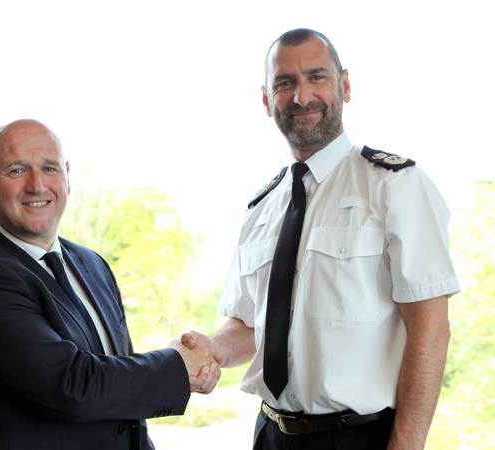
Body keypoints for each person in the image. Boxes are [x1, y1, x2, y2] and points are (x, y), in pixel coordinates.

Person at [182, 28, 459, 449]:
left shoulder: (395, 186)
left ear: (344, 85)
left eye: (317, 77)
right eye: (285, 83)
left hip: (359, 437)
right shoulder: (261, 208)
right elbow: (251, 323)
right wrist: (213, 348)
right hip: (270, 435)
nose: (301, 96)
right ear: (266, 99)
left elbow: (430, 328)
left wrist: (406, 445)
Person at [0, 119, 220, 450]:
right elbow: (70, 386)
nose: (37, 185)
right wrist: (177, 365)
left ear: (66, 176)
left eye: (49, 168)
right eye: (16, 170)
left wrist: (182, 366)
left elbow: (116, 393)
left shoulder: (91, 263)